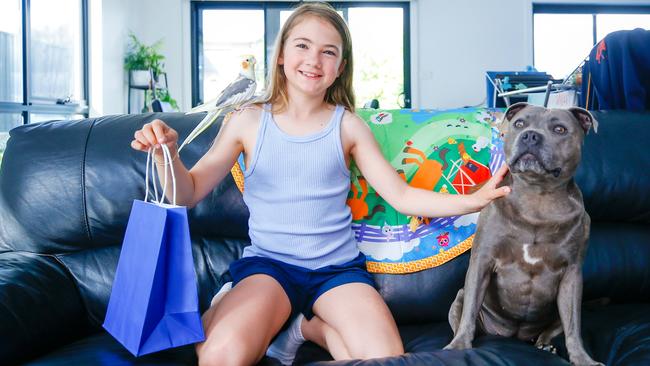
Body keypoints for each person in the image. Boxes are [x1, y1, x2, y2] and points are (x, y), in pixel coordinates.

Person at [131, 2, 510, 365]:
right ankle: (241, 309)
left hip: (337, 270)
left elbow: (402, 195)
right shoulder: (247, 120)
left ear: (340, 67)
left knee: (387, 360)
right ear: (281, 54)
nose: (314, 60)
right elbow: (188, 192)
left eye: (328, 52)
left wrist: (473, 201)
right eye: (302, 46)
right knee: (219, 357)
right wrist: (167, 155)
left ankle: (306, 329)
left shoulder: (347, 125)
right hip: (269, 266)